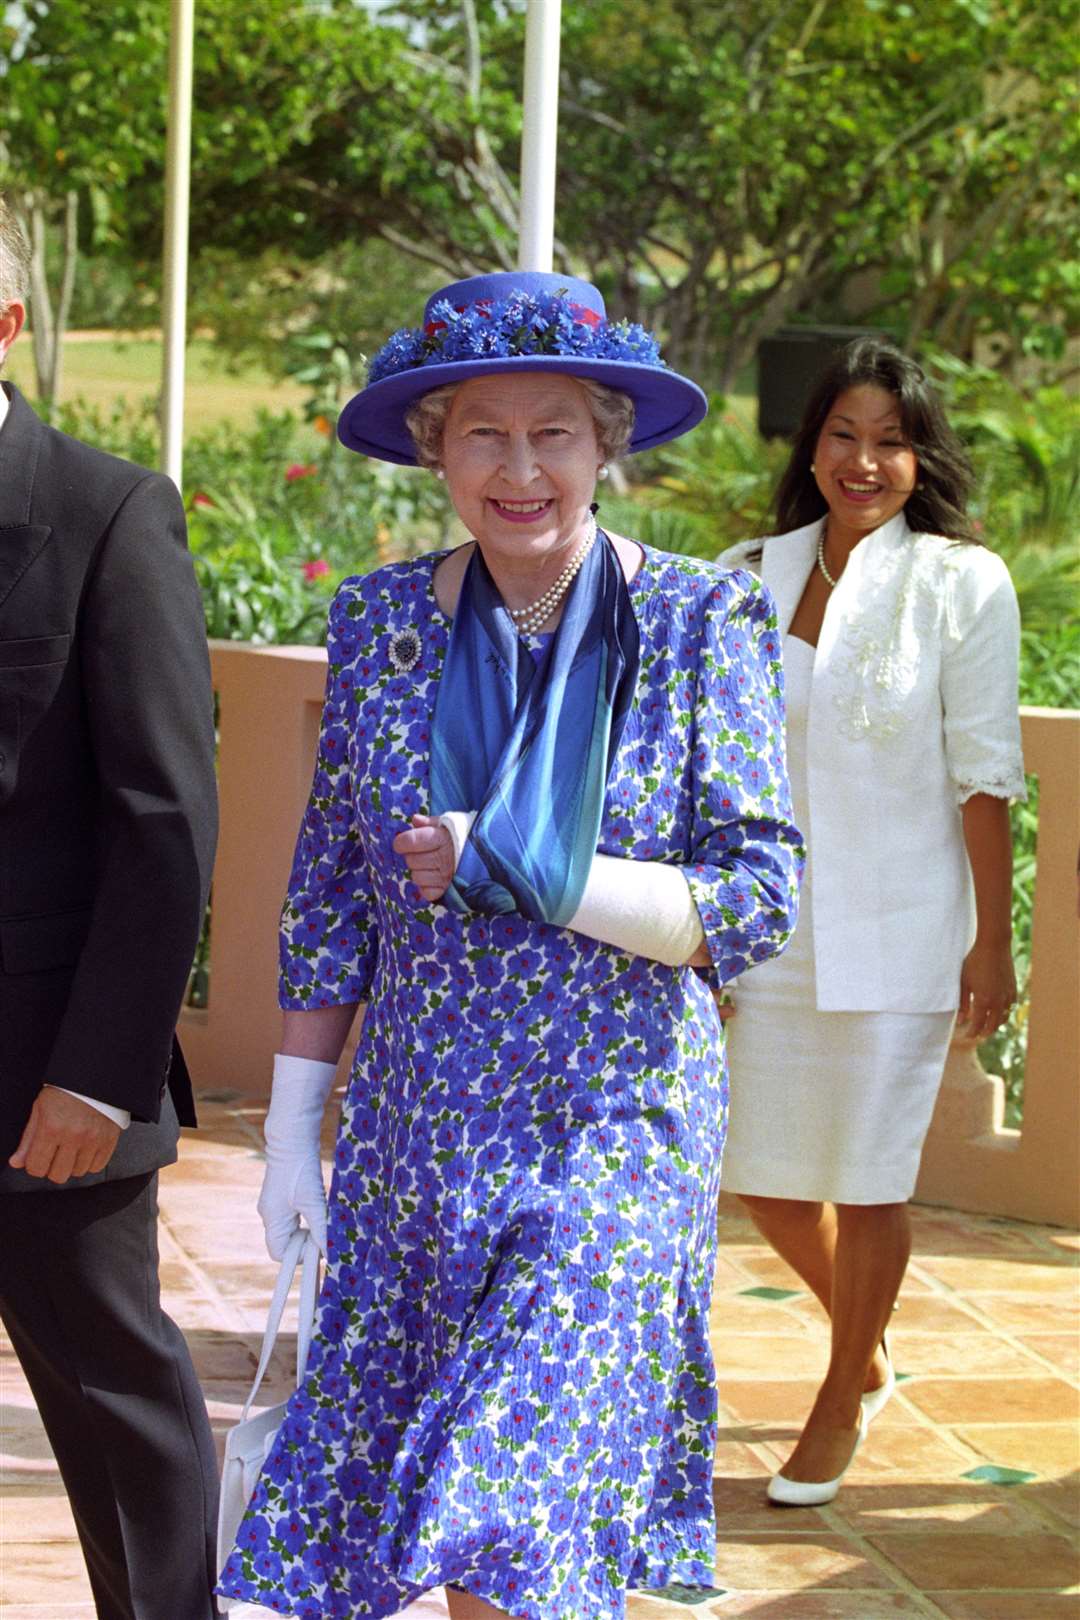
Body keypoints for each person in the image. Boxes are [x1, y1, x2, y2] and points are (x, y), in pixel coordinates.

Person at [217, 269, 804, 1620]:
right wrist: (296, 1125)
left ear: (609, 443)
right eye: (483, 431)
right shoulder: (378, 623)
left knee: (513, 1487)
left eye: (555, 432)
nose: (520, 466)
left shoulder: (703, 623)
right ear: (436, 450)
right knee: (437, 1501)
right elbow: (330, 892)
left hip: (618, 1124)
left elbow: (759, 894)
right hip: (418, 1129)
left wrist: (541, 871)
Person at [718, 336, 1025, 1506]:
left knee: (873, 1178)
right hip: (773, 927)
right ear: (812, 447)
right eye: (844, 435)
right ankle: (870, 1341)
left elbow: (985, 774)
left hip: (904, 923)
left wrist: (990, 943)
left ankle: (840, 1392)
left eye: (891, 440)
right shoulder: (749, 570)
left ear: (919, 456)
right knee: (767, 1177)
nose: (865, 459)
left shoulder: (961, 582)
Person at [0, 197, 220, 1617]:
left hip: (49, 1077)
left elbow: (166, 821)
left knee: (113, 1399)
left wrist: (101, 1068)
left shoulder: (108, 509)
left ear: (7, 321)